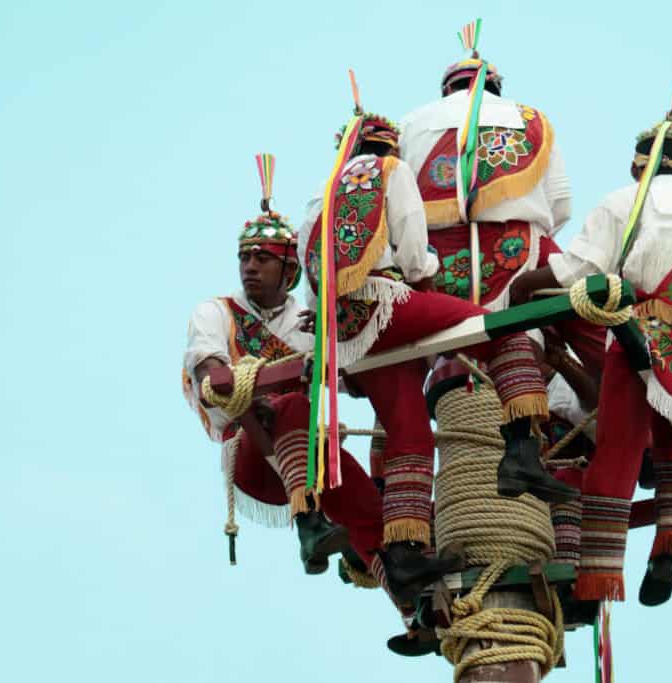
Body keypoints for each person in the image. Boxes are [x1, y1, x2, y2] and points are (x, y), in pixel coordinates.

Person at [298, 113, 575, 551]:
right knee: (500, 328)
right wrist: (424, 280)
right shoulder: (392, 171)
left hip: (345, 335)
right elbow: (412, 247)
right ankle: (520, 451)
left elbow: (309, 274)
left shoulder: (321, 194)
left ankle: (405, 555)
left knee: (408, 435)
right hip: (384, 305)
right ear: (392, 147)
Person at [509, 111, 672, 606]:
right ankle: (670, 548)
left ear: (640, 168)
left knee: (617, 450)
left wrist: (523, 287)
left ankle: (597, 577)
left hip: (643, 329)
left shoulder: (627, 201)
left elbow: (581, 269)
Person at [182, 171, 455, 601]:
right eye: (244, 258)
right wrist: (247, 388)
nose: (250, 267)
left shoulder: (309, 321)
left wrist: (340, 337)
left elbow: (355, 385)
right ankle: (309, 527)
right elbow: (210, 375)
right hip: (256, 455)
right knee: (290, 405)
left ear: (291, 269)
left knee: (369, 507)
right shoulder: (215, 312)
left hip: (310, 454)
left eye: (262, 258)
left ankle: (413, 606)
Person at [399, 49, 607, 373]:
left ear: (446, 90)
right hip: (517, 247)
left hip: (432, 258)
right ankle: (630, 389)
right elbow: (561, 204)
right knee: (588, 322)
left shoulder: (410, 122)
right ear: (496, 87)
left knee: (396, 341)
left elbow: (397, 210)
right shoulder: (531, 117)